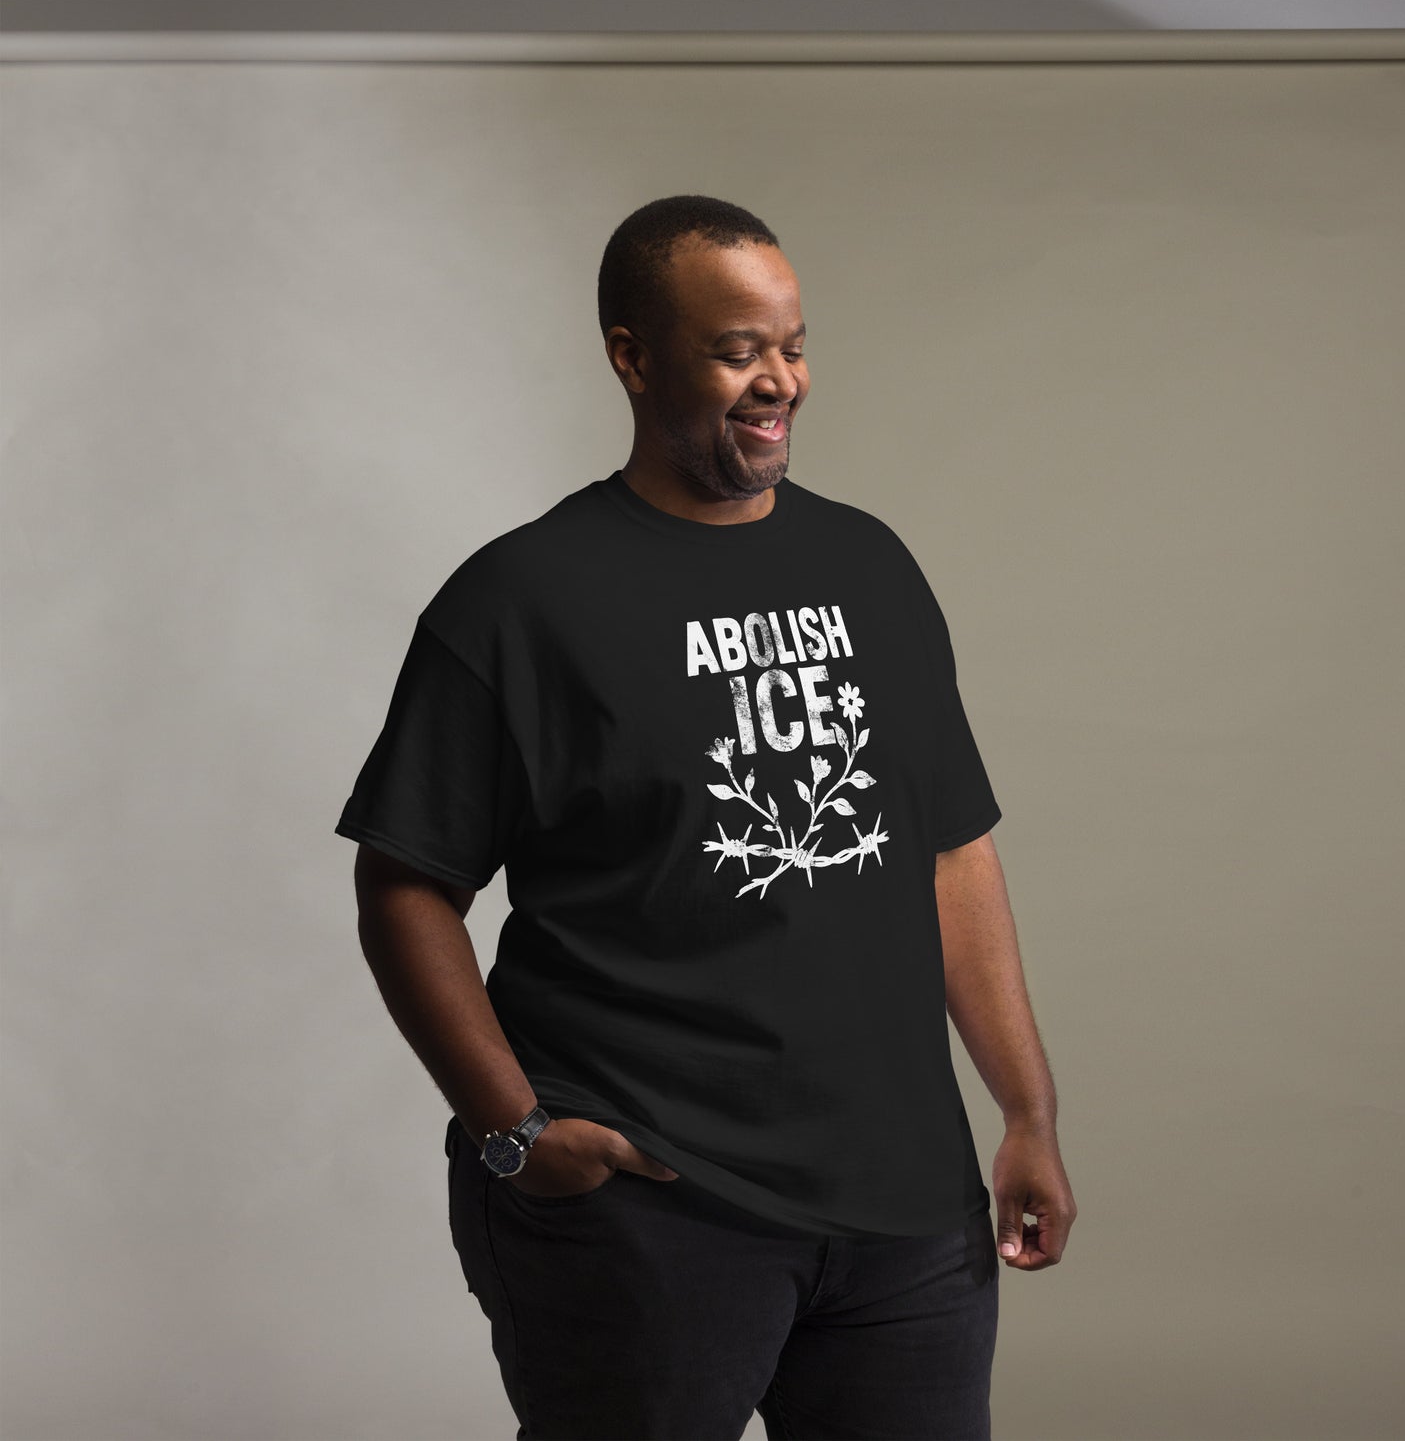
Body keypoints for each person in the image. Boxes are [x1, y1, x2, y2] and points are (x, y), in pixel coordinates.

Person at [336, 193, 1076, 1441]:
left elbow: (950, 851)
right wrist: (514, 1132)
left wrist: (1025, 1113)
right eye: (737, 349)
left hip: (905, 1215)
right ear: (632, 354)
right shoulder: (521, 599)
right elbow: (404, 883)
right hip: (649, 1211)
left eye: (790, 344)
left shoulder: (872, 568)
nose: (776, 379)